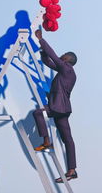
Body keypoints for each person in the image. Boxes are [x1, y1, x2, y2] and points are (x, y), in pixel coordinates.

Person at [32, 29, 78, 183]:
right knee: (68, 139)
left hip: (58, 107)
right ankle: (72, 171)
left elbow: (52, 55)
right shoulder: (66, 71)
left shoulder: (66, 68)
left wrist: (40, 39)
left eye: (64, 55)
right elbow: (48, 61)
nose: (61, 55)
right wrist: (42, 51)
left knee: (38, 113)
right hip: (62, 109)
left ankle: (46, 142)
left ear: (68, 59)